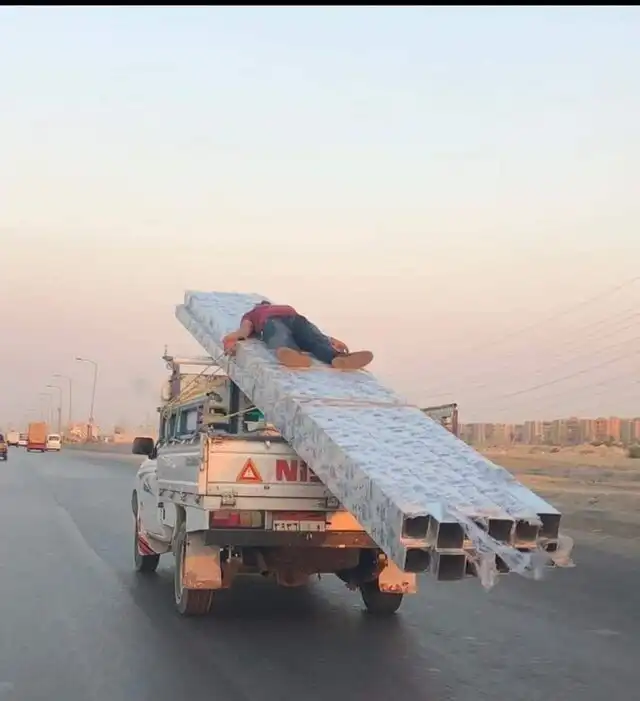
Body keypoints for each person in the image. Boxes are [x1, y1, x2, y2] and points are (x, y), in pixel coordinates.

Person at [222, 300, 374, 370]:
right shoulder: (279, 308)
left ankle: (294, 355)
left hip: (277, 321)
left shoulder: (253, 313)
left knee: (281, 337)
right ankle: (335, 357)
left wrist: (230, 339)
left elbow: (244, 331)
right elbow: (313, 331)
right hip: (294, 319)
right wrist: (330, 340)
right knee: (313, 339)